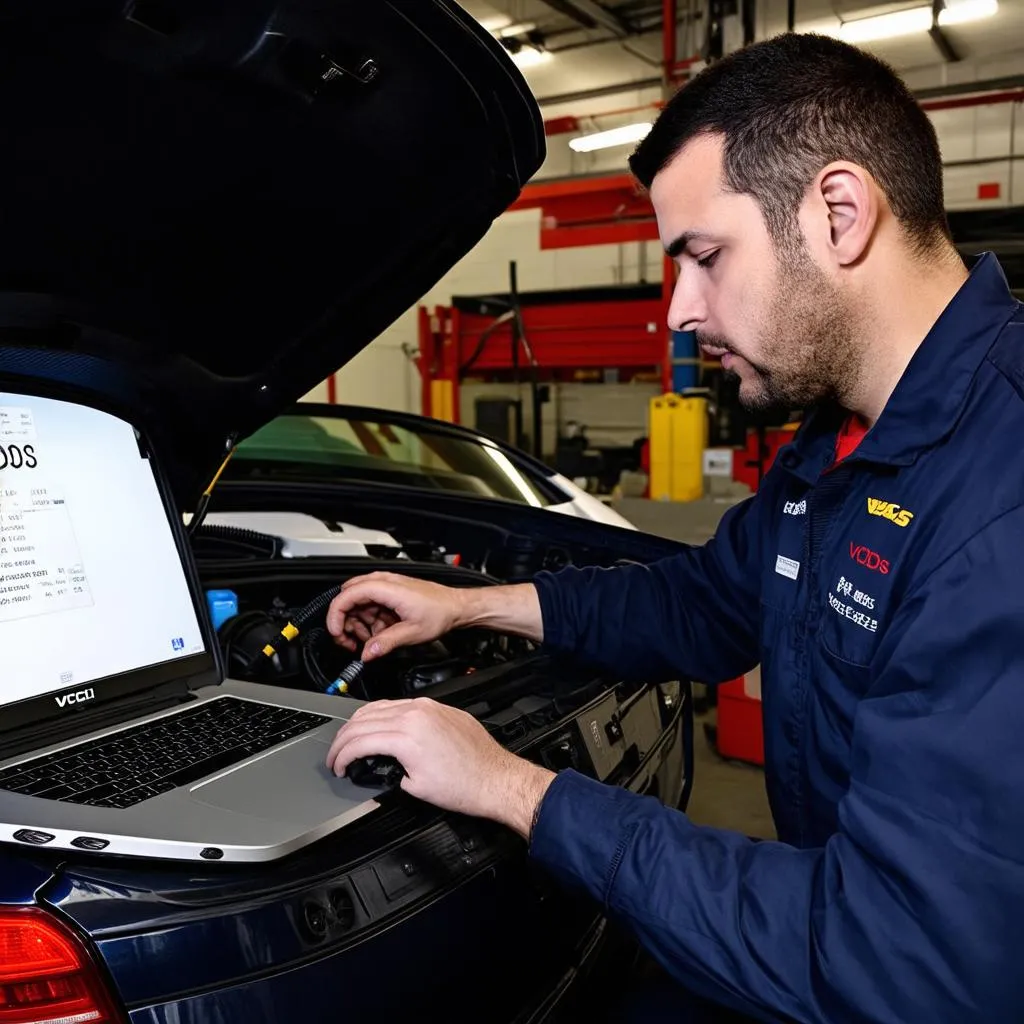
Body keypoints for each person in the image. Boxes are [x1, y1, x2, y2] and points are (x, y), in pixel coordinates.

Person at [324, 31, 1024, 1023]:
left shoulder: (999, 493)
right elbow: (699, 601)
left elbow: (898, 959)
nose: (678, 313)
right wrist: (464, 604)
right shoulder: (833, 448)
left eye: (703, 256)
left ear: (838, 214)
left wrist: (515, 787)